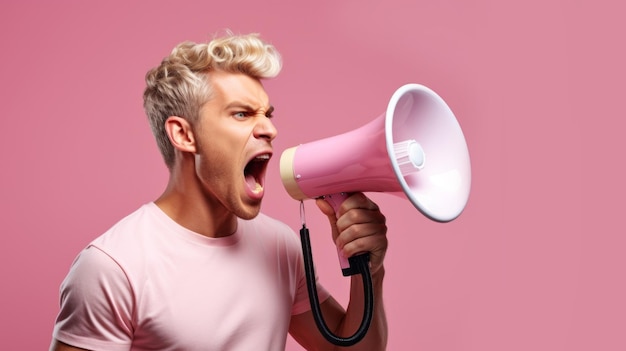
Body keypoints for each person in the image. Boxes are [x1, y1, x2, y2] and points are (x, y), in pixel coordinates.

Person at [50, 32, 388, 351]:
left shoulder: (281, 247)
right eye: (242, 114)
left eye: (267, 115)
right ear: (184, 135)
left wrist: (369, 269)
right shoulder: (112, 267)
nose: (270, 128)